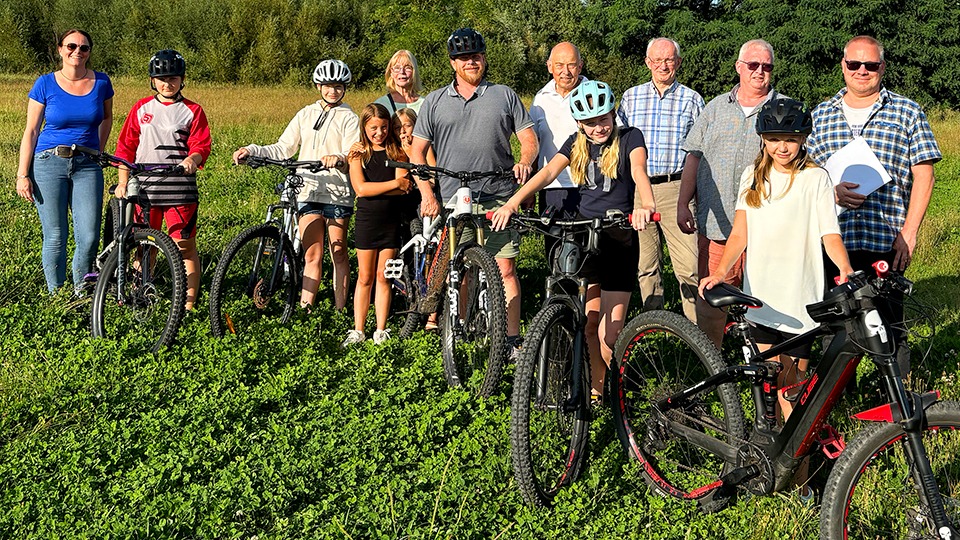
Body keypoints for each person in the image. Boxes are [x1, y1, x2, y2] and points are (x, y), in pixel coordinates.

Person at [492, 80, 657, 399]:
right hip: (585, 236)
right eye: (591, 122)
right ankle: (597, 391)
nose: (599, 128)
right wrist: (514, 202)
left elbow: (639, 170)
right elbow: (547, 174)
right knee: (590, 322)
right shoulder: (576, 142)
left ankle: (619, 395)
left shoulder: (630, 137)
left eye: (604, 119)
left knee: (611, 333)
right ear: (580, 123)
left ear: (613, 114)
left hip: (617, 237)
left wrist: (645, 204)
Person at [698, 98, 853, 421]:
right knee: (766, 387)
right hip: (761, 301)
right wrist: (722, 272)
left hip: (800, 304)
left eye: (791, 140)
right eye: (774, 140)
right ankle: (765, 452)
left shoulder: (816, 178)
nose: (782, 148)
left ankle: (797, 468)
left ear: (802, 140)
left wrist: (845, 268)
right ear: (763, 140)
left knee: (793, 393)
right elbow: (740, 234)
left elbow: (829, 234)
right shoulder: (751, 177)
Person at [806, 36, 941, 374]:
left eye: (871, 65)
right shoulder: (820, 115)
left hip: (887, 239)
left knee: (890, 327)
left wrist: (909, 232)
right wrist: (831, 193)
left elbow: (924, 174)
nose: (862, 71)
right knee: (836, 330)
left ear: (883, 67)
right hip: (835, 240)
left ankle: (895, 410)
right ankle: (837, 405)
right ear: (843, 66)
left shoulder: (907, 111)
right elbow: (806, 176)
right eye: (855, 64)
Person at [407, 28, 539, 357]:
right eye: (464, 58)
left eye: (476, 56)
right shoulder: (435, 101)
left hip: (498, 195)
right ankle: (461, 328)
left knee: (505, 269)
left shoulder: (504, 95)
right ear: (453, 63)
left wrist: (524, 161)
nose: (471, 62)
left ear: (484, 58)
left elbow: (529, 140)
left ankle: (510, 340)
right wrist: (427, 192)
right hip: (455, 197)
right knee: (460, 269)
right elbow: (416, 154)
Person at [677, 39, 788, 348]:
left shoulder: (785, 108)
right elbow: (694, 156)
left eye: (766, 66)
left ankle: (765, 376)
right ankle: (713, 368)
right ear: (739, 67)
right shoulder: (714, 108)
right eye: (753, 65)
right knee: (712, 302)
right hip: (717, 227)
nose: (760, 71)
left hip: (767, 231)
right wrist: (683, 202)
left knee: (766, 308)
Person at [232, 59, 360, 312]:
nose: (332, 91)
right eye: (326, 85)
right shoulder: (306, 114)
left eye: (337, 86)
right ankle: (305, 309)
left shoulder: (349, 117)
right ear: (318, 86)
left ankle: (339, 310)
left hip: (337, 192)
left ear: (344, 88)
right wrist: (252, 150)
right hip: (308, 189)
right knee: (312, 253)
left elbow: (352, 153)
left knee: (339, 253)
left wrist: (340, 159)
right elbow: (284, 147)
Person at [16, 29, 114, 295]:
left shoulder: (102, 83)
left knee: (89, 236)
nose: (77, 52)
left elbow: (107, 118)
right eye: (71, 46)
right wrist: (22, 174)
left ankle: (81, 293)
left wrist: (99, 149)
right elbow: (32, 131)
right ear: (60, 49)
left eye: (84, 48)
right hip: (49, 163)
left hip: (87, 165)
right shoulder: (45, 84)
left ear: (89, 53)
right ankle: (57, 296)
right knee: (56, 236)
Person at [114, 50, 212, 311]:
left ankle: (188, 304)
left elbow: (201, 144)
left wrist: (192, 159)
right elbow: (125, 146)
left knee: (183, 246)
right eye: (162, 79)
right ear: (152, 81)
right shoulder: (141, 108)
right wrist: (123, 181)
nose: (168, 84)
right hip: (145, 188)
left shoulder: (192, 110)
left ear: (182, 80)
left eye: (174, 78)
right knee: (145, 246)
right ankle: (140, 297)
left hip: (179, 188)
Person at [617, 37, 703, 322]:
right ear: (647, 63)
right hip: (639, 191)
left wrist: (692, 195)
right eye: (657, 60)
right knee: (646, 264)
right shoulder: (630, 97)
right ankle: (655, 326)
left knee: (688, 266)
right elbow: (617, 144)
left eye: (669, 60)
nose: (663, 65)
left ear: (678, 62)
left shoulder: (692, 99)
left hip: (676, 187)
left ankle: (696, 333)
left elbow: (700, 151)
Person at [343, 104, 413, 346]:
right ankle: (358, 330)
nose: (379, 133)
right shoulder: (358, 155)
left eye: (384, 127)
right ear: (364, 127)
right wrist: (392, 186)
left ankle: (381, 330)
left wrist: (384, 189)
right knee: (364, 277)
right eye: (373, 128)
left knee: (385, 277)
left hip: (391, 223)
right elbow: (360, 189)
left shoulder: (398, 154)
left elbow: (405, 187)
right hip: (366, 221)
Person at [530, 41, 586, 221]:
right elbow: (534, 144)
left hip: (590, 185)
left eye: (571, 65)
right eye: (559, 65)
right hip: (552, 186)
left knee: (592, 246)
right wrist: (530, 187)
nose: (566, 71)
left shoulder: (593, 93)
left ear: (580, 66)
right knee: (555, 246)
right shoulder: (540, 99)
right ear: (549, 66)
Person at [374, 50, 425, 114]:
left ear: (414, 72)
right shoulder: (381, 105)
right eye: (397, 68)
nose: (402, 72)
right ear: (391, 72)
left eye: (407, 68)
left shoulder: (425, 104)